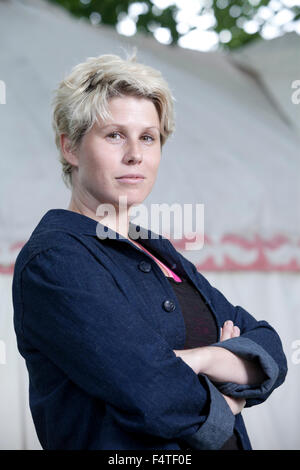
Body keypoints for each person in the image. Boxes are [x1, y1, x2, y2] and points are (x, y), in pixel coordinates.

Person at [12, 51, 287, 451]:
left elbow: (269, 347)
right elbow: (152, 393)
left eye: (148, 137)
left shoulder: (159, 252)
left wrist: (202, 360)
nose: (135, 155)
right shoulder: (54, 260)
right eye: (114, 135)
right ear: (70, 147)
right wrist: (228, 400)